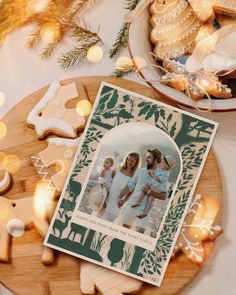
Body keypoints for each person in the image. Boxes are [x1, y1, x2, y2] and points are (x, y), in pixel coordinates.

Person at [118, 148, 167, 234]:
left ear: (156, 160)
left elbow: (164, 196)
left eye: (149, 157)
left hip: (146, 210)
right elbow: (129, 186)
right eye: (146, 157)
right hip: (132, 205)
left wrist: (149, 192)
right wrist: (119, 197)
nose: (146, 159)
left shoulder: (161, 175)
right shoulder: (140, 171)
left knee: (140, 232)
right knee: (124, 229)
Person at [131, 154, 175, 219]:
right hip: (157, 188)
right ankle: (145, 212)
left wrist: (152, 175)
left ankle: (138, 201)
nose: (160, 164)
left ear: (166, 166)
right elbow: (155, 174)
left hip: (156, 187)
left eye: (162, 163)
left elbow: (159, 180)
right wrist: (152, 173)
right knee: (150, 199)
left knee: (144, 189)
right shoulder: (162, 170)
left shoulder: (165, 173)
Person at [102, 152, 140, 222]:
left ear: (136, 163)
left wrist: (123, 202)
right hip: (106, 195)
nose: (129, 162)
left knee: (107, 222)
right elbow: (110, 180)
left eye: (132, 161)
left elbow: (131, 192)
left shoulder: (135, 176)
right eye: (128, 160)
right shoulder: (119, 167)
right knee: (98, 217)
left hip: (116, 201)